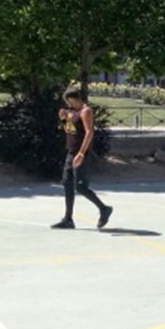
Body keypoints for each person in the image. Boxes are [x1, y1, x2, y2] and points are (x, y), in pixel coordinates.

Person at [51, 88, 113, 229]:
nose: (68, 104)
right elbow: (71, 131)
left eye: (68, 101)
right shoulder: (73, 112)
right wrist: (64, 119)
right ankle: (68, 219)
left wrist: (81, 154)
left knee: (80, 187)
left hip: (81, 153)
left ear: (73, 99)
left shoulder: (86, 111)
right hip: (71, 151)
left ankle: (104, 209)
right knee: (67, 183)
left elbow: (89, 132)